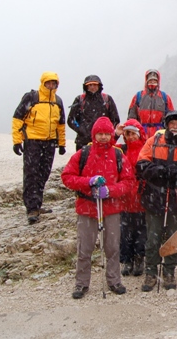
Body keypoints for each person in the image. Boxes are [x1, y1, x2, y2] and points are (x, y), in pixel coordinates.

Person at [61, 117, 136, 299]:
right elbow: (67, 177)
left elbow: (129, 182)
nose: (103, 137)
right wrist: (89, 182)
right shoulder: (83, 154)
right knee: (84, 248)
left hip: (111, 208)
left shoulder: (118, 155)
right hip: (86, 207)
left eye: (106, 134)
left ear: (111, 134)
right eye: (100, 134)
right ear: (94, 135)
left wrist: (110, 190)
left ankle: (114, 281)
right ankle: (81, 284)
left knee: (112, 247)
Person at [136, 111, 177, 291]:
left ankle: (169, 271)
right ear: (166, 125)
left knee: (174, 238)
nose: (175, 126)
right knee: (153, 238)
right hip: (155, 197)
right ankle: (151, 272)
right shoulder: (153, 141)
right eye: (172, 123)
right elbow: (141, 164)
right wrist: (160, 171)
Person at [12, 72, 66, 224]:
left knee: (44, 173)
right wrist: (17, 141)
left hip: (49, 143)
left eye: (54, 83)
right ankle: (31, 208)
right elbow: (17, 119)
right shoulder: (31, 98)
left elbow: (60, 125)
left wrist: (61, 144)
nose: (51, 85)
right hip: (33, 142)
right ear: (43, 83)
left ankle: (37, 203)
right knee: (31, 174)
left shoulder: (58, 101)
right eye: (48, 83)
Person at [116, 119, 147, 277]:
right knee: (125, 232)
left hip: (141, 197)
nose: (130, 136)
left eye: (133, 133)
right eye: (127, 133)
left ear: (140, 133)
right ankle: (127, 260)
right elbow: (101, 148)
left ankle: (139, 258)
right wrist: (116, 134)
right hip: (125, 198)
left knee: (141, 232)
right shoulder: (121, 149)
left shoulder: (146, 149)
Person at [67, 75, 120, 151]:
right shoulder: (80, 99)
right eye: (90, 85)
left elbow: (115, 119)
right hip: (83, 142)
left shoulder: (107, 99)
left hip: (103, 141)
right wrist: (81, 130)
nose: (92, 87)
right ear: (86, 87)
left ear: (99, 86)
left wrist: (105, 132)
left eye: (95, 85)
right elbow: (71, 120)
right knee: (82, 162)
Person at [127, 69, 174, 136]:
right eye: (150, 81)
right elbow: (131, 118)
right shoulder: (138, 96)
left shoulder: (165, 97)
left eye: (154, 81)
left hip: (160, 134)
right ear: (146, 81)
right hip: (141, 133)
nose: (152, 83)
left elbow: (171, 117)